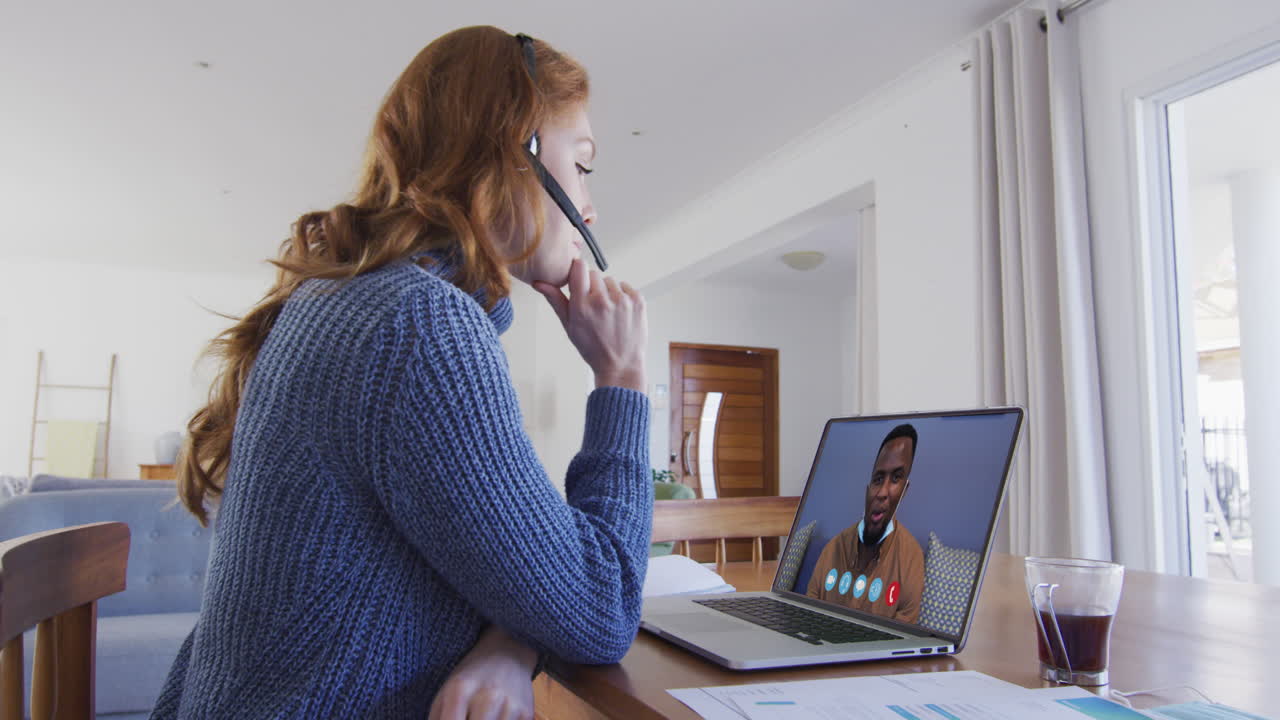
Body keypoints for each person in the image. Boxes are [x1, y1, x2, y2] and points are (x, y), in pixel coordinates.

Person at [151, 26, 652, 720]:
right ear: (518, 151)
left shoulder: (357, 303)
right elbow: (601, 608)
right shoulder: (420, 330)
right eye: (583, 163)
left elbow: (514, 562)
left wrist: (509, 642)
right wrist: (621, 380)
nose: (590, 205)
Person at [805, 424, 925, 624]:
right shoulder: (834, 547)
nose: (882, 492)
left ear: (905, 490)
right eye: (878, 479)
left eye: (896, 478)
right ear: (868, 488)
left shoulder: (911, 558)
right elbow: (808, 613)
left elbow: (902, 638)